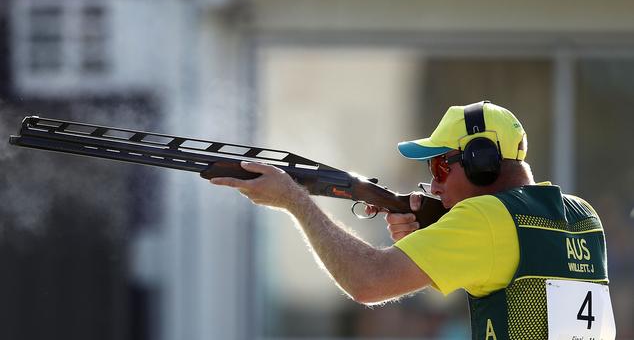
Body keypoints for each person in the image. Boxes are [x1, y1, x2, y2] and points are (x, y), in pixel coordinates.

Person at [210, 100, 615, 339]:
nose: (434, 186)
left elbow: (369, 282)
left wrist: (295, 200)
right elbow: (519, 275)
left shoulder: (488, 217)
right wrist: (437, 235)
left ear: (481, 163)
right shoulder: (582, 216)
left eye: (440, 167)